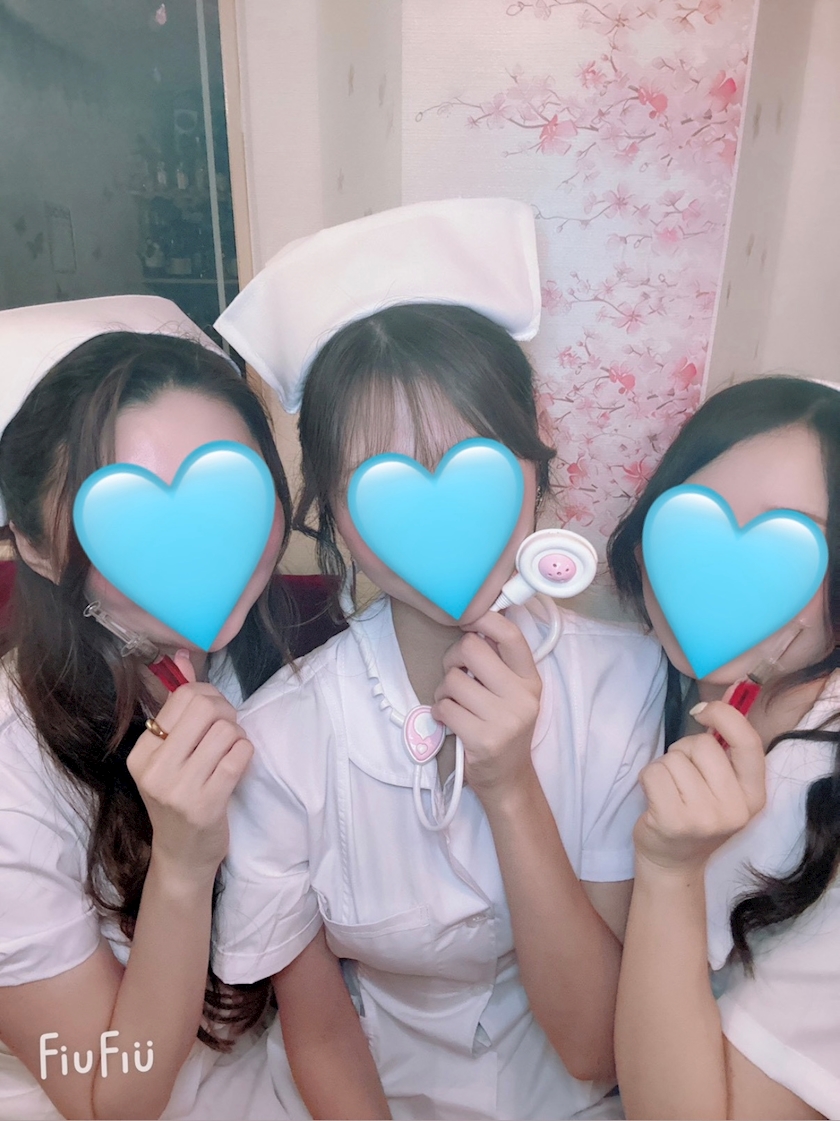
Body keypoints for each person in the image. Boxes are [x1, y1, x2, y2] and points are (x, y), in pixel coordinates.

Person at [211, 199, 667, 1120]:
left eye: (474, 459)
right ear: (334, 515)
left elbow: (594, 1042)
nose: (439, 511)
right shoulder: (283, 735)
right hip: (369, 1085)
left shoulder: (627, 682)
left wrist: (509, 786)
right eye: (383, 480)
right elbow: (318, 1029)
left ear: (535, 464)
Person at [0, 298, 314, 1121]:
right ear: (31, 545)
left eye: (229, 497)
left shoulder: (274, 651)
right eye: (133, 520)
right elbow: (111, 1096)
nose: (205, 550)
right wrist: (181, 861)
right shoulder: (12, 769)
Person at [607, 375, 840, 1119]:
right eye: (691, 520)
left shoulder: (820, 794)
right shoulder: (653, 680)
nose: (714, 573)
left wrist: (670, 873)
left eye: (789, 543)